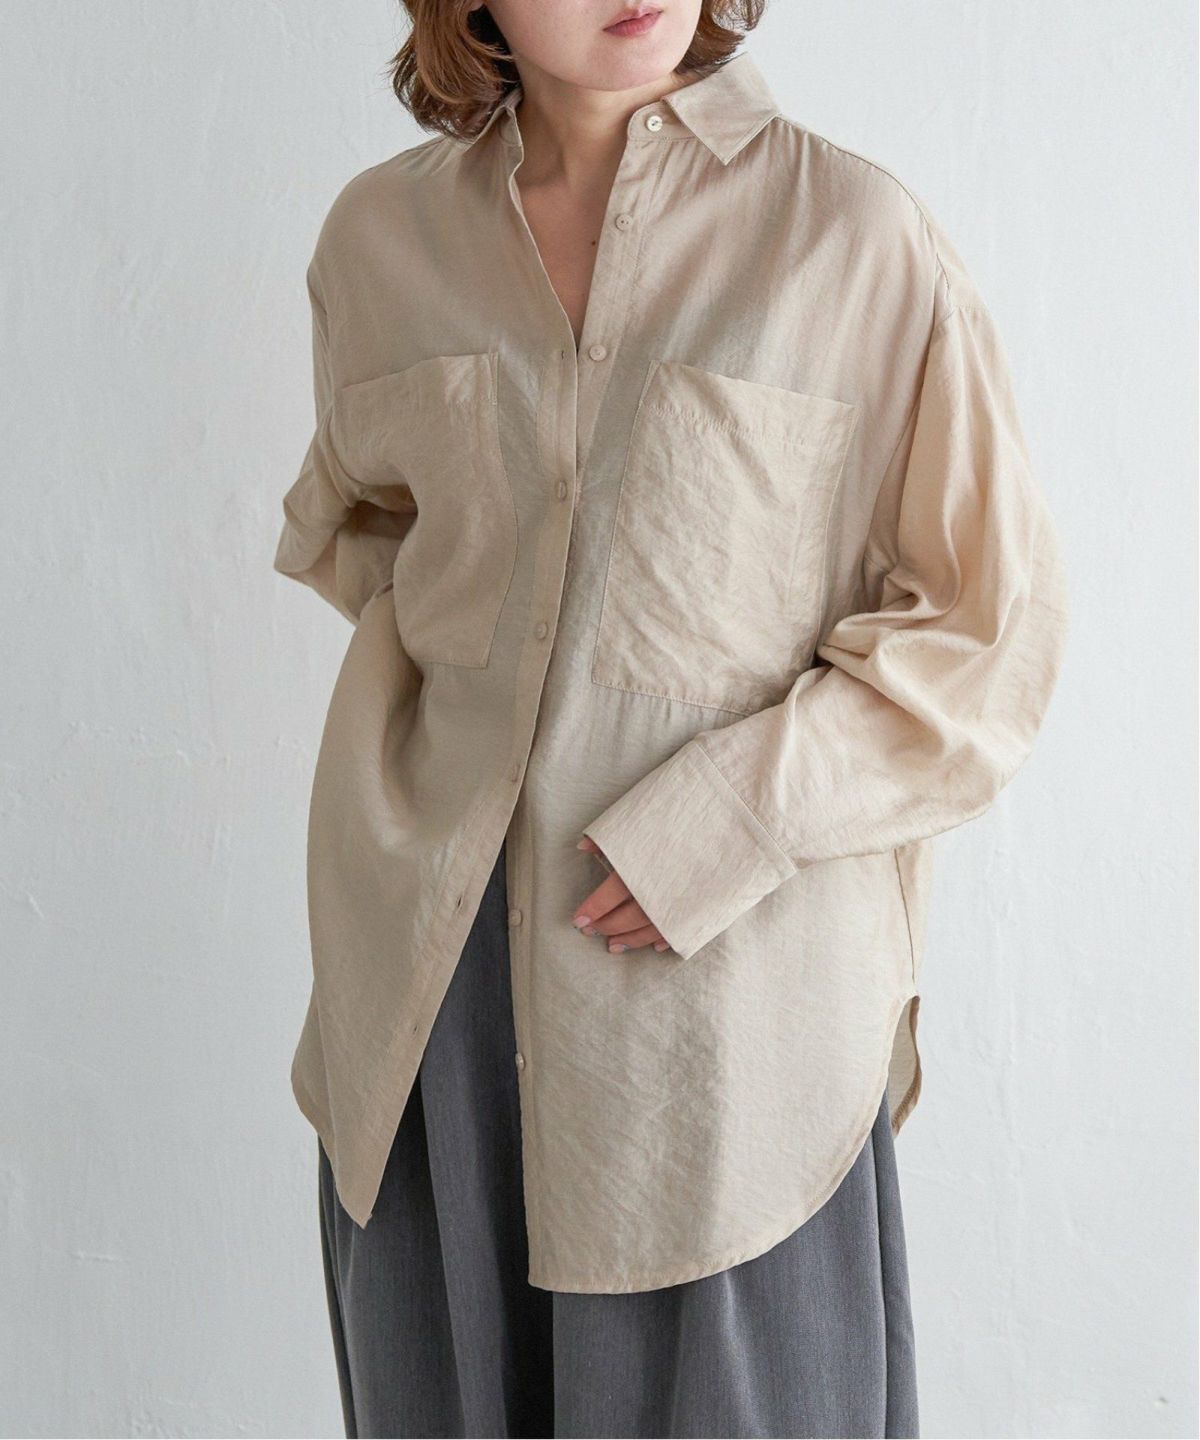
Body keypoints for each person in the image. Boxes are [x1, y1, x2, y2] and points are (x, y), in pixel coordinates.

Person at [272, 2, 1070, 1436]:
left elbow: (982, 632)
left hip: (725, 1018)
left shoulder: (851, 237)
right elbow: (369, 538)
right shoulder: (377, 245)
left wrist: (735, 808)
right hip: (431, 1006)